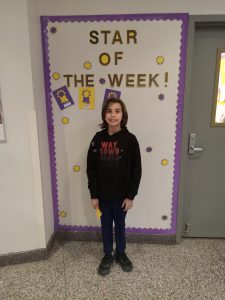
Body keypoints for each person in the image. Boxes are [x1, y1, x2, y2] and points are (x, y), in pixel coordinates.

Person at [86, 98, 142, 276]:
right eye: (109, 111)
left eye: (117, 111)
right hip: (102, 197)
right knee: (105, 225)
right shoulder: (97, 139)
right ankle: (108, 254)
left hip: (122, 197)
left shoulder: (130, 140)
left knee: (120, 225)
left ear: (123, 115)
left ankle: (121, 253)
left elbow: (137, 171)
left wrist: (130, 196)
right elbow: (91, 169)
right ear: (104, 115)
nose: (113, 115)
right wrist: (94, 195)